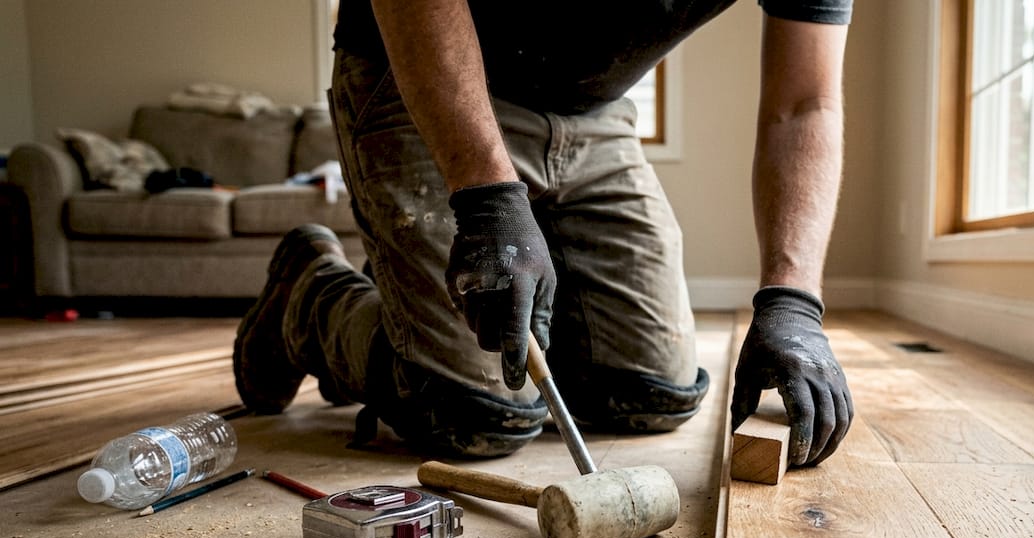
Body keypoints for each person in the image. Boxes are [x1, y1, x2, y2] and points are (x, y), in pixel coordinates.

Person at [234, 0, 854, 467]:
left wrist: (792, 304)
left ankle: (421, 308)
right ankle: (309, 295)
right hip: (420, 67)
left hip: (593, 111)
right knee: (474, 414)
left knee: (651, 394)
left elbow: (806, 103)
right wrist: (488, 202)